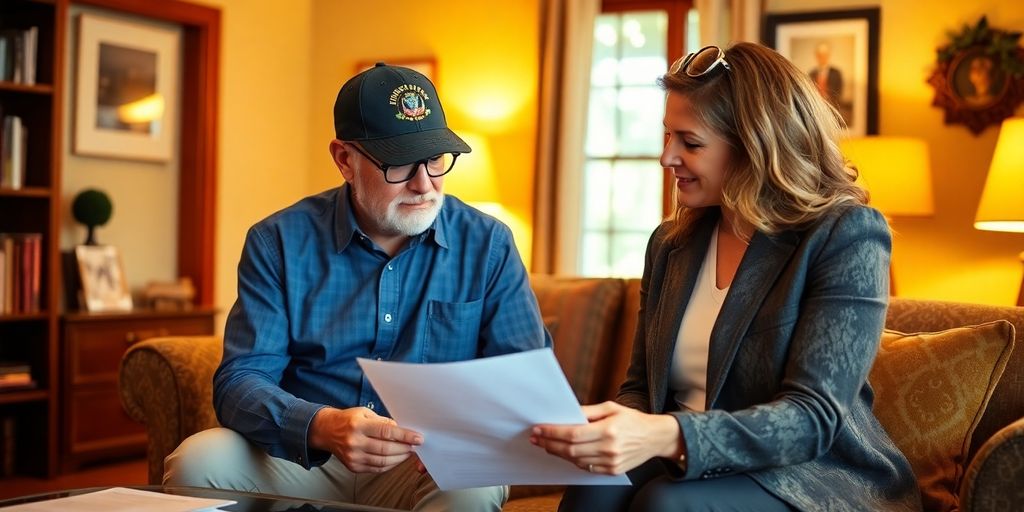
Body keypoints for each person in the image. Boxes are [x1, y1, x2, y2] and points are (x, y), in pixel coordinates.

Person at [531, 42, 921, 511]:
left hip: (809, 475)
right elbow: (641, 388)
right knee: (592, 492)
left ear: (756, 146)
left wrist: (666, 433)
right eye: (667, 136)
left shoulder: (846, 236)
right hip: (683, 460)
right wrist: (599, 433)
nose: (667, 158)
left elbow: (812, 419)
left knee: (665, 504)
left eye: (690, 142)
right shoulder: (670, 244)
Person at [163, 63, 552, 512]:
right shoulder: (278, 242)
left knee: (475, 484)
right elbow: (240, 381)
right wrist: (321, 426)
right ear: (345, 160)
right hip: (302, 457)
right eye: (399, 165)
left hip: (423, 459)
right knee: (196, 462)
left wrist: (463, 431)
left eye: (434, 159)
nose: (424, 184)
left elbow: (525, 380)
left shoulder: (488, 243)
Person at [808, 42, 843, 107]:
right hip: (816, 106)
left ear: (828, 56)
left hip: (832, 106)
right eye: (820, 55)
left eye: (824, 55)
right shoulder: (812, 73)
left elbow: (839, 93)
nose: (822, 57)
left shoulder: (836, 73)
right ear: (817, 56)